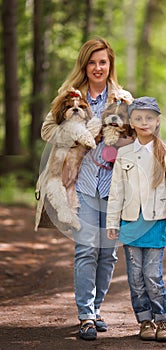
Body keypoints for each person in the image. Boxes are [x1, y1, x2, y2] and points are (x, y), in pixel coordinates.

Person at [38, 37, 133, 340]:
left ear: (109, 65)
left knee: (109, 254)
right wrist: (78, 134)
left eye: (102, 62)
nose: (97, 67)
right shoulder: (70, 96)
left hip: (115, 186)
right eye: (91, 62)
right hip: (80, 183)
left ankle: (97, 308)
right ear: (84, 65)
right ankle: (86, 316)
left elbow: (139, 134)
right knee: (87, 249)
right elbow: (47, 130)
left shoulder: (121, 98)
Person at [106, 97, 166, 342]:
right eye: (138, 118)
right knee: (136, 277)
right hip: (130, 222)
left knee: (152, 275)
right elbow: (116, 190)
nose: (144, 122)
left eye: (149, 118)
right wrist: (112, 222)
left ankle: (162, 321)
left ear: (157, 121)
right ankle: (145, 320)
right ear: (132, 122)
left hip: (156, 222)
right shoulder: (124, 153)